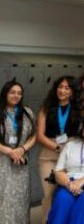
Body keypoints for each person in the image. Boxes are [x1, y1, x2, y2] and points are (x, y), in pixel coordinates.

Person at [37, 76, 83, 223]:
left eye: (67, 88)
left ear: (72, 91)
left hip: (72, 156)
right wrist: (57, 147)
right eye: (60, 87)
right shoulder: (46, 107)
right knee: (49, 192)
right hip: (49, 155)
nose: (62, 90)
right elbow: (39, 135)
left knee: (68, 192)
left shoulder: (80, 109)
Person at [0, 80, 36, 223]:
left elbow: (34, 135)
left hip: (21, 161)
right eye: (12, 92)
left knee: (21, 197)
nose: (16, 96)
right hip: (2, 161)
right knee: (4, 197)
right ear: (5, 93)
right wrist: (9, 151)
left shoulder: (27, 113)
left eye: (19, 93)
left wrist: (22, 149)